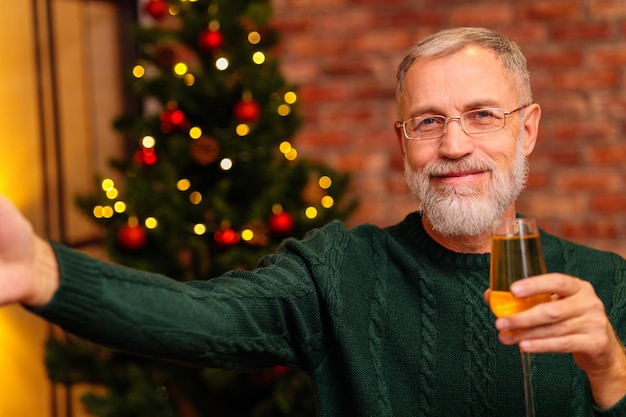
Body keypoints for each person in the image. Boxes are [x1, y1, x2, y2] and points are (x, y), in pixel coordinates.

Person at [1, 26, 625, 416]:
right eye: (428, 121)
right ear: (402, 141)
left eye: (483, 114)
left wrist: (608, 367)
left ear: (530, 129)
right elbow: (202, 319)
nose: (454, 145)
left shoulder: (607, 285)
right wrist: (43, 271)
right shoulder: (340, 270)